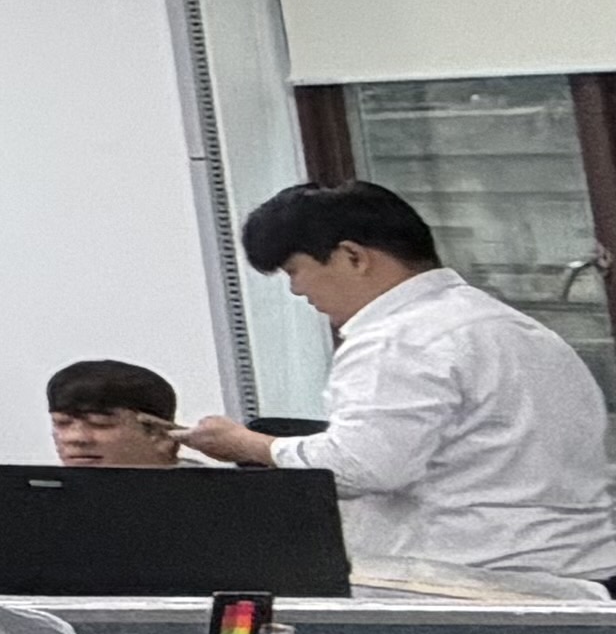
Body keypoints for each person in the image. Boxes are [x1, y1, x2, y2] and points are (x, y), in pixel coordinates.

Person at [173, 181, 616, 587]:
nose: (297, 291)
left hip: (474, 587)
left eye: (294, 270)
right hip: (583, 577)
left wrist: (248, 445)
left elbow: (361, 466)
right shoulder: (519, 328)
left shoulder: (396, 338)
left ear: (353, 256)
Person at [47, 358, 187, 469]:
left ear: (161, 435)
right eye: (61, 423)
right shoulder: (44, 493)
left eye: (99, 423)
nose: (75, 437)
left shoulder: (197, 492)